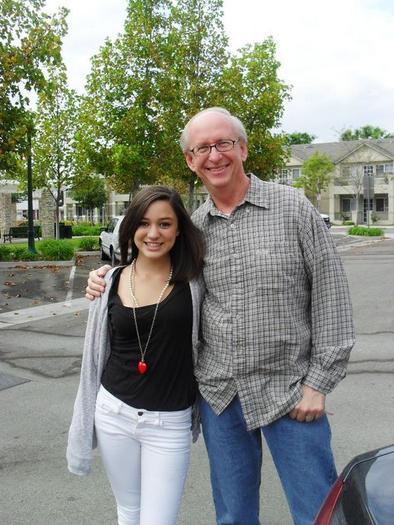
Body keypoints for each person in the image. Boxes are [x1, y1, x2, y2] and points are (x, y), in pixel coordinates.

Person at [85, 108, 355, 525]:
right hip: (221, 396)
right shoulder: (191, 229)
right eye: (202, 148)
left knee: (319, 511)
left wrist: (319, 383)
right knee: (232, 515)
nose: (215, 155)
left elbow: (331, 295)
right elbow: (150, 266)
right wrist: (106, 277)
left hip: (290, 390)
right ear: (190, 161)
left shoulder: (292, 208)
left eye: (223, 143)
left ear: (242, 149)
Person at [67, 186, 205, 525]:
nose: (153, 234)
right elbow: (97, 353)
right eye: (144, 223)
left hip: (169, 423)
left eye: (165, 224)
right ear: (131, 228)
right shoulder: (109, 281)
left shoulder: (196, 282)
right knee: (128, 512)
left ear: (178, 229)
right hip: (113, 412)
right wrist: (96, 275)